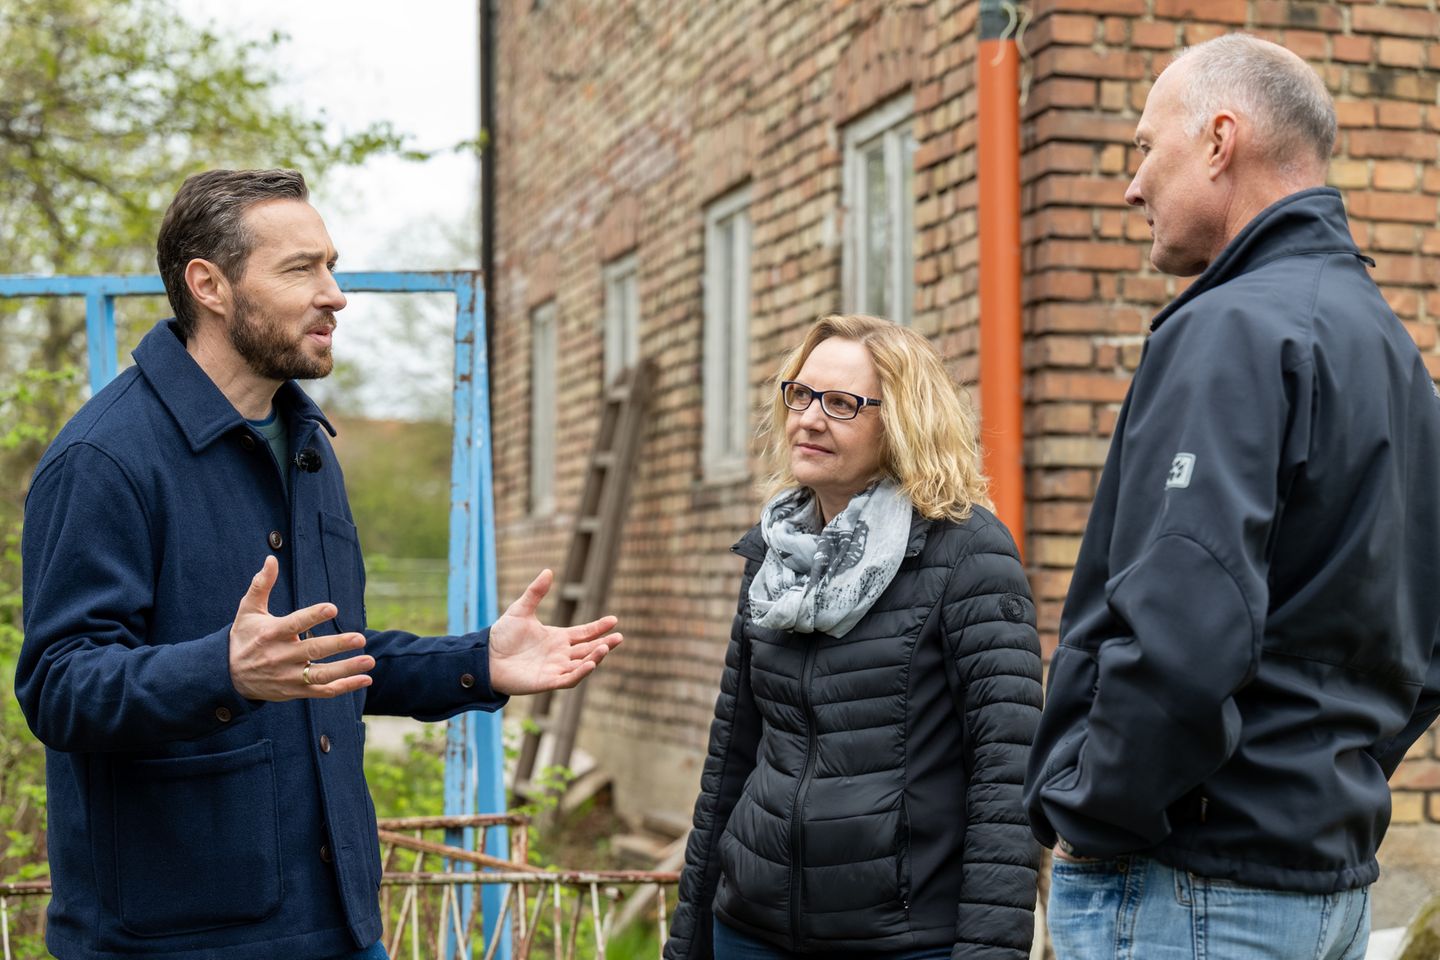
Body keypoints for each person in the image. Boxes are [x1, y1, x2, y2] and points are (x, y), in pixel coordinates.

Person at [16, 168, 623, 960]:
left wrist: (478, 662)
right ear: (210, 284)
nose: (335, 294)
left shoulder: (305, 445)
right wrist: (221, 671)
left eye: (332, 266)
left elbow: (329, 657)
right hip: (175, 941)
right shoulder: (104, 458)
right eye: (301, 269)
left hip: (338, 923)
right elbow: (59, 687)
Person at [1023, 34, 1440, 960]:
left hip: (1189, 887)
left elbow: (1185, 631)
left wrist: (1094, 806)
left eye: (1143, 147)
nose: (1132, 186)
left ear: (1219, 140)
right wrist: (1329, 777)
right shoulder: (1390, 350)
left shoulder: (1228, 331)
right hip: (1322, 887)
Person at [665, 315, 1044, 960]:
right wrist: (689, 937)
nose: (809, 419)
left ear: (902, 424)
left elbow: (1006, 775)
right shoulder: (776, 556)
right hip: (750, 928)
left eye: (843, 404)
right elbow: (732, 754)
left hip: (900, 937)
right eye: (801, 394)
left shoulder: (966, 551)